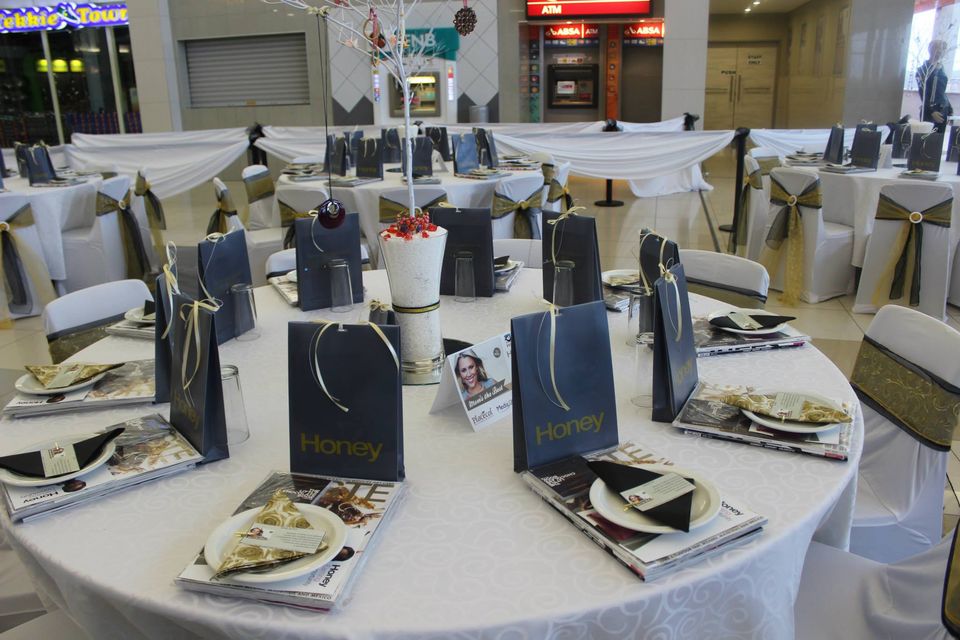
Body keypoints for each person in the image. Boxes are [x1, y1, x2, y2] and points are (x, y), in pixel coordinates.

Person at [917, 39, 953, 132]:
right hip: (930, 111)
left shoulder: (941, 68)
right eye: (938, 49)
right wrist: (931, 110)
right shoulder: (923, 70)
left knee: (939, 139)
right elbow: (922, 92)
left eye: (943, 49)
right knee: (927, 137)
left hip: (943, 109)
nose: (940, 52)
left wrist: (949, 109)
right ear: (931, 49)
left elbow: (941, 91)